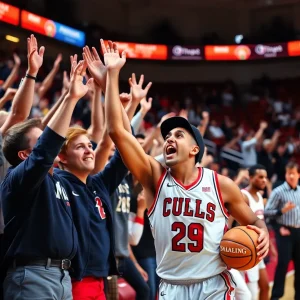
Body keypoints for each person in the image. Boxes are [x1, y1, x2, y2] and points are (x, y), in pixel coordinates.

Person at [103, 40, 269, 300]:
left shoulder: (221, 184)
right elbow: (117, 132)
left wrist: (264, 233)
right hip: (171, 286)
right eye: (168, 135)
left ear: (194, 150)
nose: (169, 139)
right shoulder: (154, 176)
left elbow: (255, 221)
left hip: (213, 284)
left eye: (179, 135)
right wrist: (112, 76)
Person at [0, 53, 93, 299]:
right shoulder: (18, 179)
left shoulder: (59, 178)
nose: (50, 144)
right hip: (32, 276)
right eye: (40, 142)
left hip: (61, 275)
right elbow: (45, 151)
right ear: (24, 155)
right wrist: (72, 98)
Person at [265, 161, 300, 300]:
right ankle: (276, 296)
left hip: (298, 231)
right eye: (288, 173)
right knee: (283, 263)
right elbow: (266, 212)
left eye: (293, 173)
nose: (290, 176)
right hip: (284, 231)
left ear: (298, 175)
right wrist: (281, 211)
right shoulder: (278, 191)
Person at [240, 165, 269, 300]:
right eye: (260, 177)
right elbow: (230, 223)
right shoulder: (243, 197)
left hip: (258, 248)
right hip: (246, 248)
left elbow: (262, 223)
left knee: (265, 286)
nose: (264, 180)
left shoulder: (259, 195)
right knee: (250, 295)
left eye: (265, 177)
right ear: (250, 178)